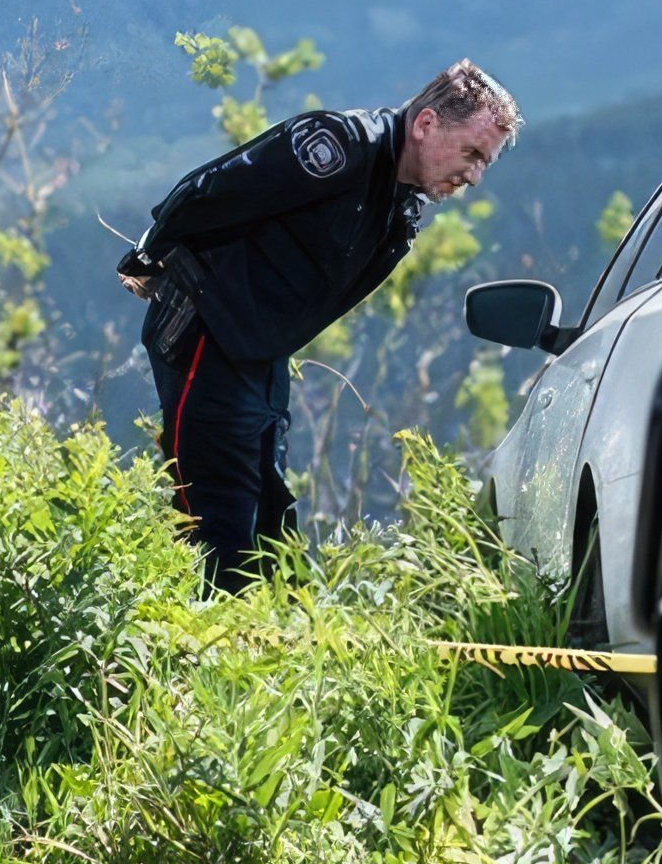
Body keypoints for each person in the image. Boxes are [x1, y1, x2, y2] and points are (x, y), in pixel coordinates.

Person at [119, 59, 522, 592]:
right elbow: (214, 188)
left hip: (259, 357)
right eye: (472, 153)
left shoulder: (397, 208)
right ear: (425, 124)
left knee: (270, 524)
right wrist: (151, 254)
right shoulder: (340, 146)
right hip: (208, 330)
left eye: (484, 164)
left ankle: (245, 652)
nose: (474, 175)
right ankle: (187, 655)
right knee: (217, 520)